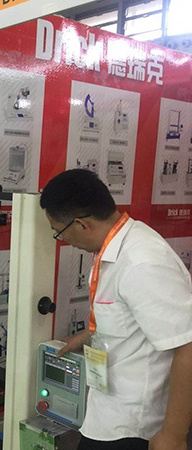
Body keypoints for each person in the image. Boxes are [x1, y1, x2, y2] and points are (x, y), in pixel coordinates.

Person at [40, 169, 192, 450]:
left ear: (81, 224)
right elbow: (128, 314)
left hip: (134, 425)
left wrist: (173, 435)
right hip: (107, 409)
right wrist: (88, 335)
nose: (64, 241)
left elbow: (188, 345)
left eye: (59, 233)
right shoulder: (113, 247)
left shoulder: (141, 262)